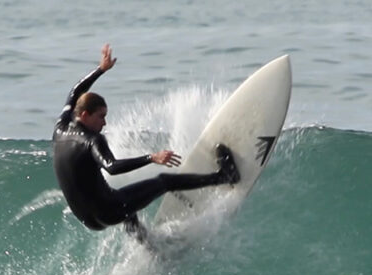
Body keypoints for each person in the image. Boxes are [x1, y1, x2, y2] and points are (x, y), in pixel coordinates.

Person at [52, 44, 239, 240]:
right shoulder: (92, 140)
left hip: (87, 218)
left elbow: (75, 91)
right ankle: (224, 177)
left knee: (126, 208)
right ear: (84, 115)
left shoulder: (61, 127)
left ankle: (149, 246)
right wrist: (152, 157)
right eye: (101, 117)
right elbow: (112, 167)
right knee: (164, 182)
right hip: (109, 210)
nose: (104, 122)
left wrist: (101, 69)